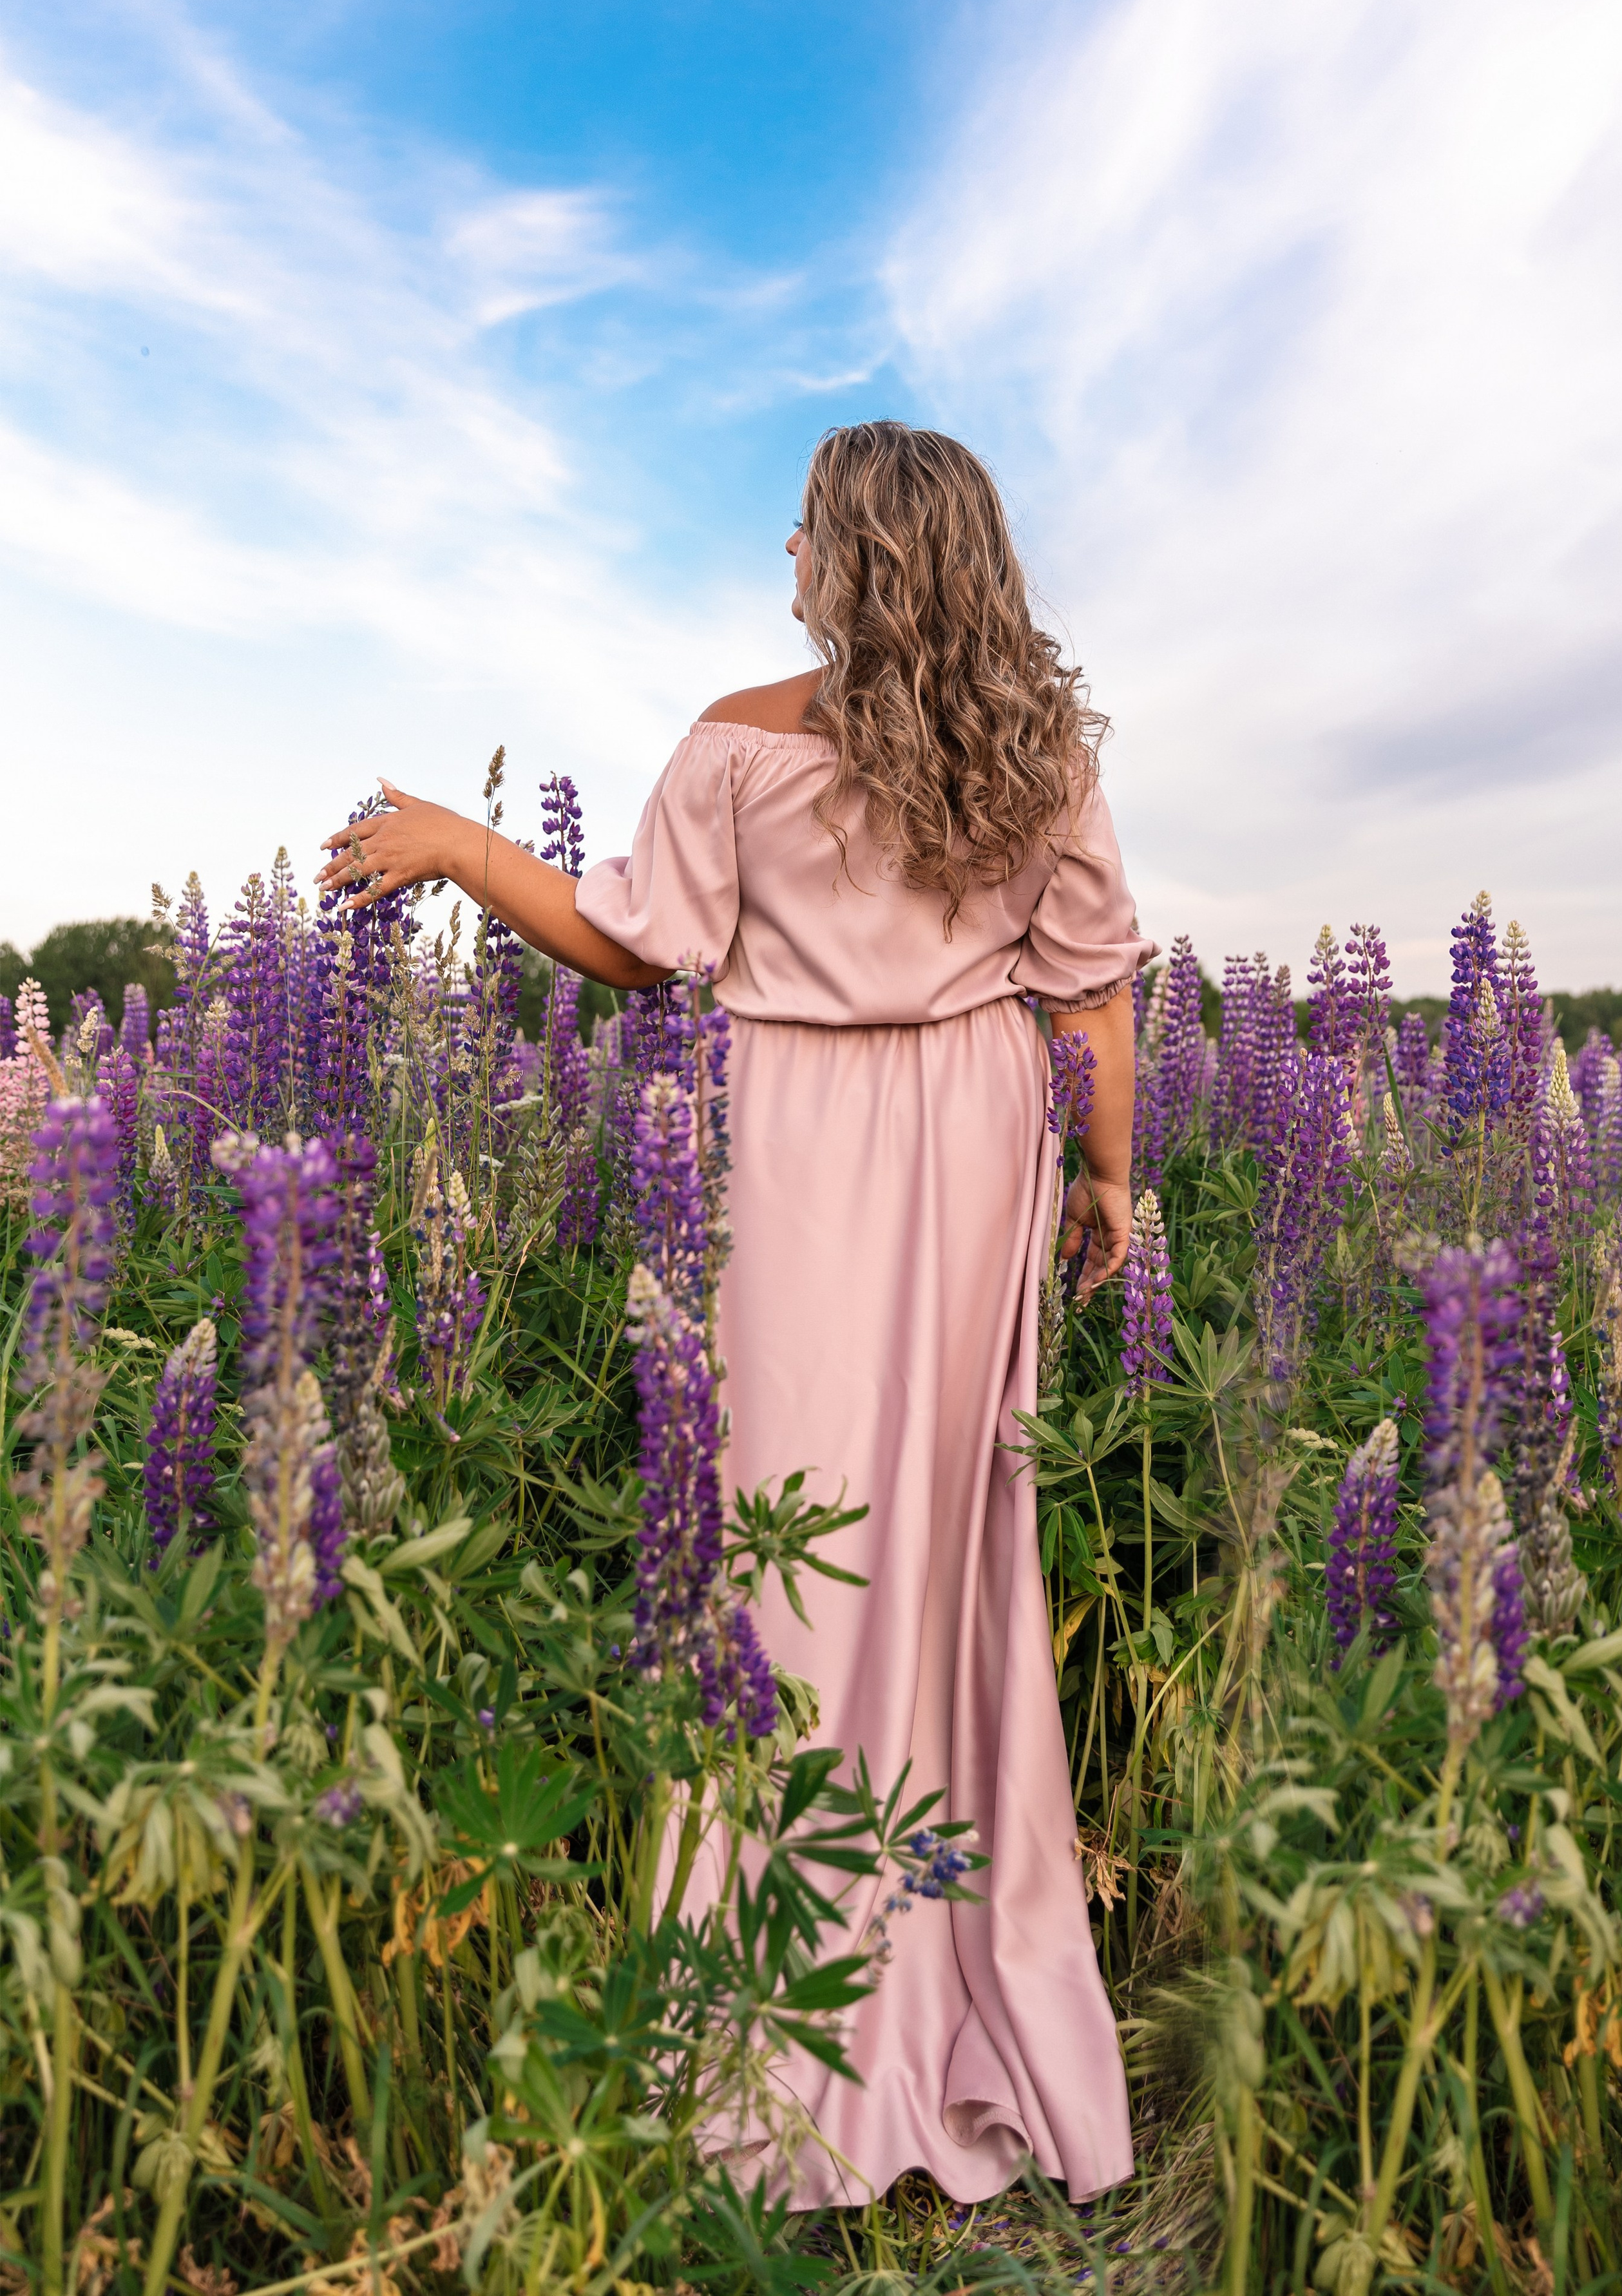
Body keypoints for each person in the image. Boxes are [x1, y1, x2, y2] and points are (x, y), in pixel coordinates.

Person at [319, 419, 1154, 2209]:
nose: (785, 554)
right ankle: (940, 1948)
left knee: (778, 1529)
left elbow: (637, 949)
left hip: (786, 1136)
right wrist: (1109, 1180)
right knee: (937, 1535)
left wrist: (464, 845)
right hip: (973, 1134)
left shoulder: (734, 742)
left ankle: (780, 1997)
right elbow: (1092, 995)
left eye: (802, 529)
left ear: (856, 553)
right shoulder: (1040, 754)